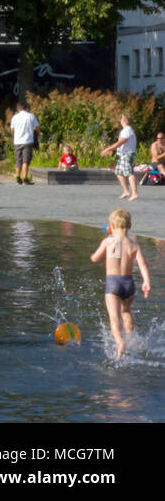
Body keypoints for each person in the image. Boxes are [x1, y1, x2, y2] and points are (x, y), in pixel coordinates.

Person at [91, 208, 152, 359]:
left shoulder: (109, 241)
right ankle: (131, 339)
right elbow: (143, 265)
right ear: (129, 225)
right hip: (129, 284)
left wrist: (101, 257)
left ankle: (120, 343)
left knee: (114, 316)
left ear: (111, 225)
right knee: (125, 311)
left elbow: (95, 258)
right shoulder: (133, 245)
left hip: (113, 283)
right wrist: (146, 281)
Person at [101, 113, 140, 202]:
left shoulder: (127, 130)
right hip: (122, 154)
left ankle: (135, 192)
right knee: (119, 172)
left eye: (121, 118)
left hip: (127, 154)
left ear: (125, 120)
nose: (120, 120)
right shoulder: (125, 130)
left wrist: (108, 149)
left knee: (129, 172)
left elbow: (121, 142)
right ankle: (126, 191)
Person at [9, 99, 39, 185]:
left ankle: (18, 177)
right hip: (28, 141)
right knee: (25, 161)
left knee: (18, 160)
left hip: (17, 141)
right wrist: (37, 134)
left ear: (18, 109)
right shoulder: (31, 116)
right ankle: (25, 178)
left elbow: (12, 129)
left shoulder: (14, 117)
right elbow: (37, 128)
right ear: (26, 108)